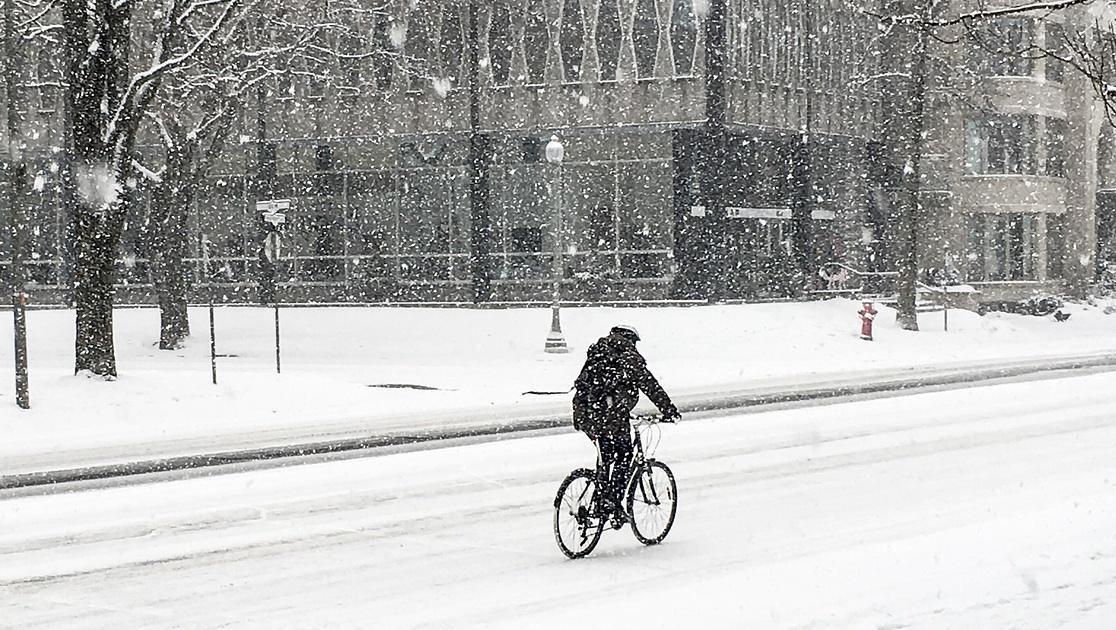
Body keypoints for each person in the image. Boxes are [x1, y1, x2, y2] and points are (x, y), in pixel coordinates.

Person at [572, 324, 681, 528]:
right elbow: (650, 384)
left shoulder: (598, 350)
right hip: (609, 415)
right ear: (631, 339)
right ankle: (612, 504)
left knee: (605, 456)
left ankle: (601, 497)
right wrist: (669, 410)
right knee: (623, 456)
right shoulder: (628, 357)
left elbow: (585, 384)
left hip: (586, 413)